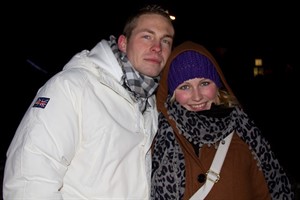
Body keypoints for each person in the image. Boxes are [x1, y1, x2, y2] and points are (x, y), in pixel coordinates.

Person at [3, 4, 175, 199]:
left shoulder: (149, 105)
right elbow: (28, 179)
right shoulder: (73, 86)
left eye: (166, 41)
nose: (157, 47)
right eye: (147, 36)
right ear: (123, 43)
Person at [151, 41, 294, 200]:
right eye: (185, 87)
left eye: (204, 83)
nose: (197, 96)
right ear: (172, 94)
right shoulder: (157, 136)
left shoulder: (246, 134)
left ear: (217, 86)